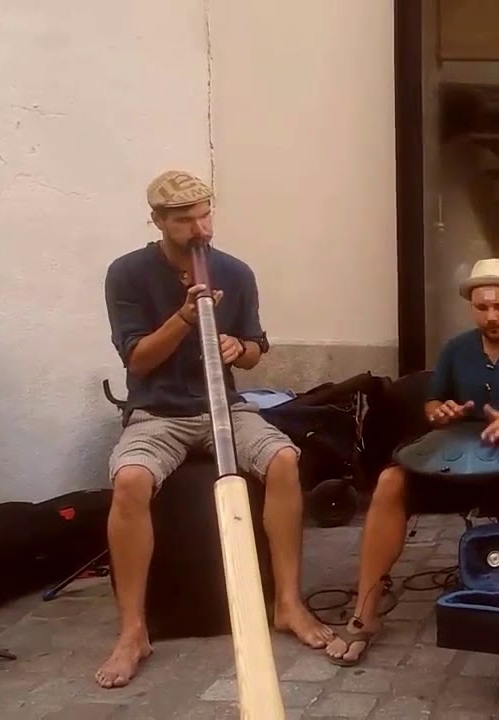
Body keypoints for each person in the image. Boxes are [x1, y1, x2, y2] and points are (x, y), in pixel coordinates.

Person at [97, 171, 333, 688]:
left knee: (284, 460)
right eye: (183, 220)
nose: (198, 228)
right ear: (158, 221)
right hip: (158, 412)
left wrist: (236, 348)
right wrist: (185, 317)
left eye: (204, 215)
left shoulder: (234, 270)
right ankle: (133, 629)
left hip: (223, 407)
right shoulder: (128, 274)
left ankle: (288, 603)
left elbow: (254, 350)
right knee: (131, 481)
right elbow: (138, 361)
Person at [325, 258, 499, 666]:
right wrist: (439, 412)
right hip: (455, 460)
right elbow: (431, 403)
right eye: (482, 307)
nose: (491, 315)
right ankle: (365, 614)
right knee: (391, 482)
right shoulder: (457, 348)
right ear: (472, 308)